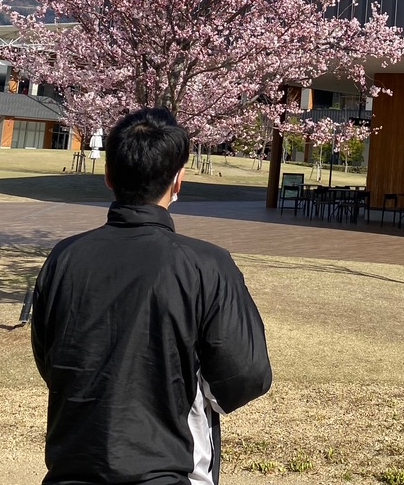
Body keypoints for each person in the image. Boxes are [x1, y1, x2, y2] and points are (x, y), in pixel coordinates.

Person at [31, 107, 272, 485]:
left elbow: (51, 360)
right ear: (179, 181)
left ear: (108, 176)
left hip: (71, 469)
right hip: (169, 471)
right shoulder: (206, 266)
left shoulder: (64, 258)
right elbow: (246, 375)